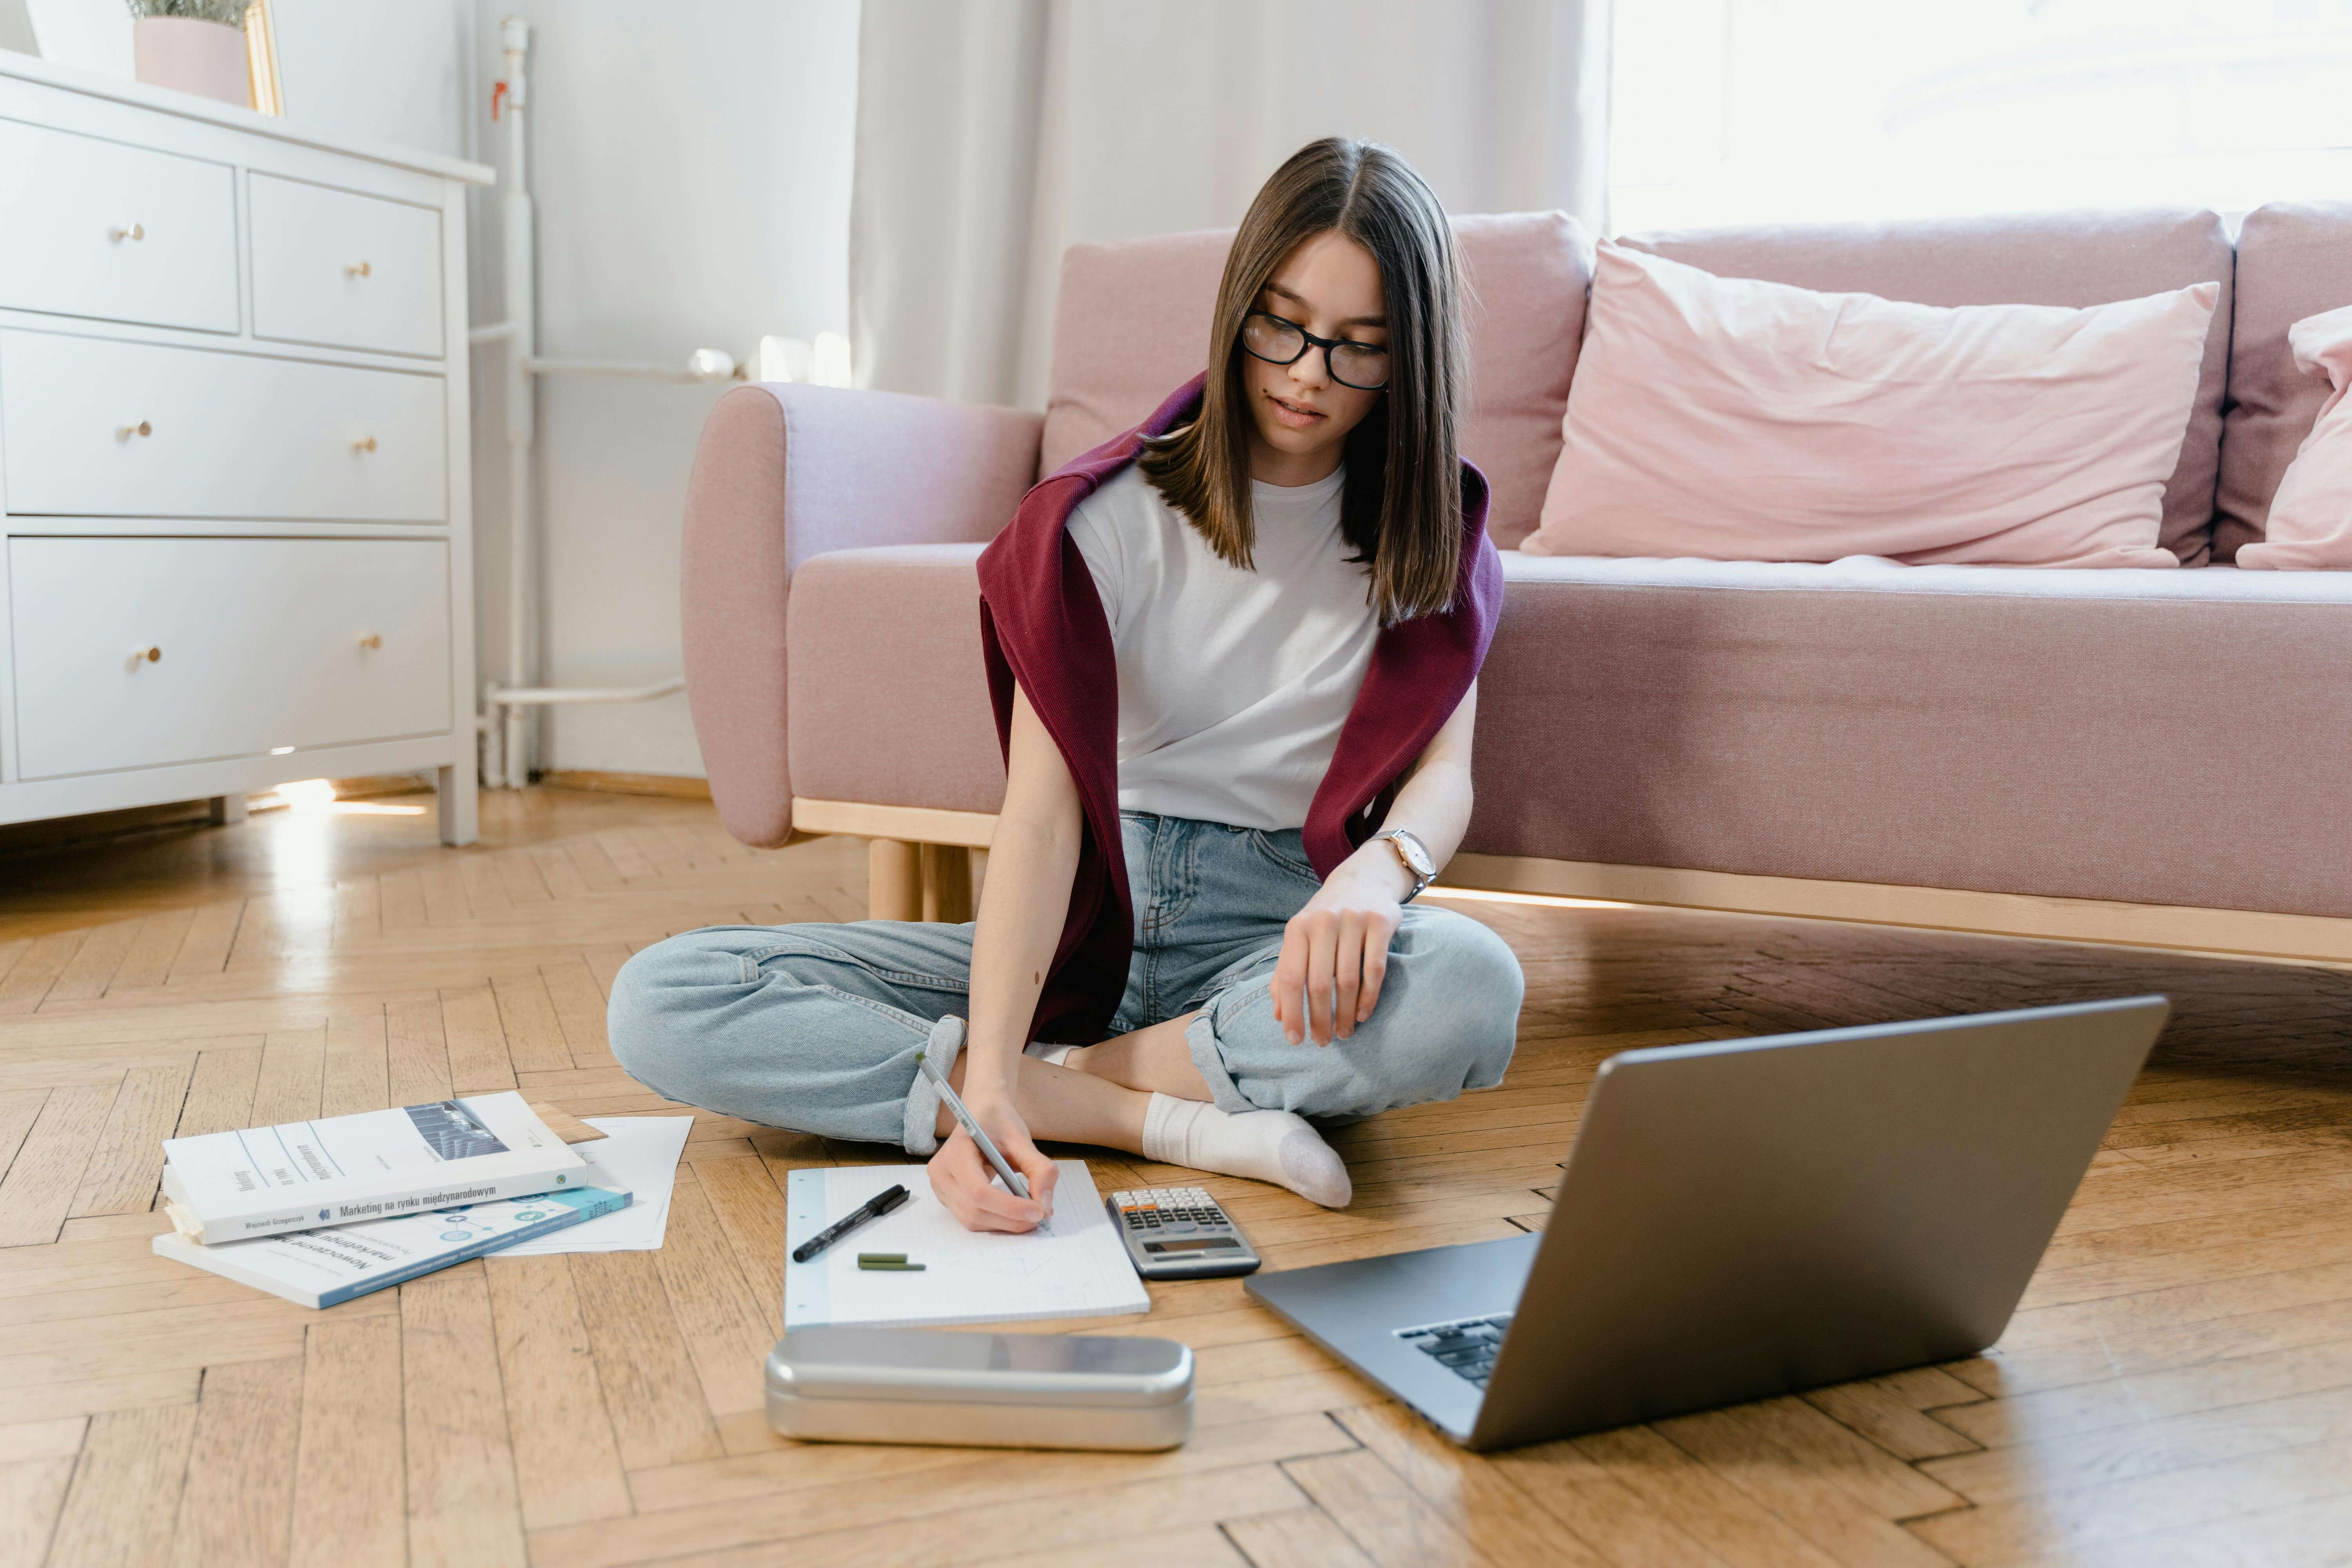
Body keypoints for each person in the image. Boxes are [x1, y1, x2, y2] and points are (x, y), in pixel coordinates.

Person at [610, 136, 1524, 1232]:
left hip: (1270, 945)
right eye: (1281, 324)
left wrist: (1379, 879)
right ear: (1237, 304)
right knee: (663, 1001)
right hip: (1082, 923)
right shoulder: (1109, 517)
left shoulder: (1437, 530)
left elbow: (1444, 777)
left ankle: (1057, 1082)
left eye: (1359, 349)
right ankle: (1164, 1116)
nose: (1305, 374)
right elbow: (1041, 825)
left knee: (1472, 983)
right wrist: (993, 1060)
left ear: (1412, 359)